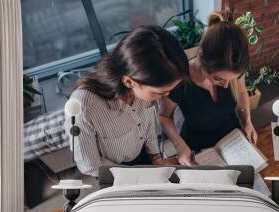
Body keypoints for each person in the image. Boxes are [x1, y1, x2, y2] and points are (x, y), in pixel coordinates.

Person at [67, 25, 189, 177]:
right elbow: (90, 166)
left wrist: (156, 158)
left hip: (142, 155)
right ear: (129, 82)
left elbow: (148, 125)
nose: (165, 96)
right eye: (160, 92)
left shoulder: (143, 90)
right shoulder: (84, 106)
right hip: (112, 172)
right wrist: (138, 176)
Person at [159, 9, 258, 166]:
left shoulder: (233, 68)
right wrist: (180, 146)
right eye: (218, 79)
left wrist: (247, 121)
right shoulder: (180, 79)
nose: (226, 85)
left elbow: (242, 92)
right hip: (197, 146)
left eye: (231, 79)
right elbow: (164, 117)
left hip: (231, 139)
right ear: (201, 57)